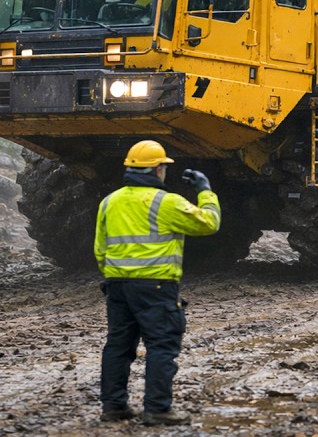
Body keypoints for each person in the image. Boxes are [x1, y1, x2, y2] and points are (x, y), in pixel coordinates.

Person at [94, 140, 221, 426]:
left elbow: (101, 249)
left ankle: (113, 407)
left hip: (118, 287)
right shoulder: (168, 202)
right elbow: (210, 223)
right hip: (157, 287)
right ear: (158, 170)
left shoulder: (109, 202)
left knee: (117, 346)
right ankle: (158, 410)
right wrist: (205, 190)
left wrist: (115, 276)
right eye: (163, 167)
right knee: (162, 346)